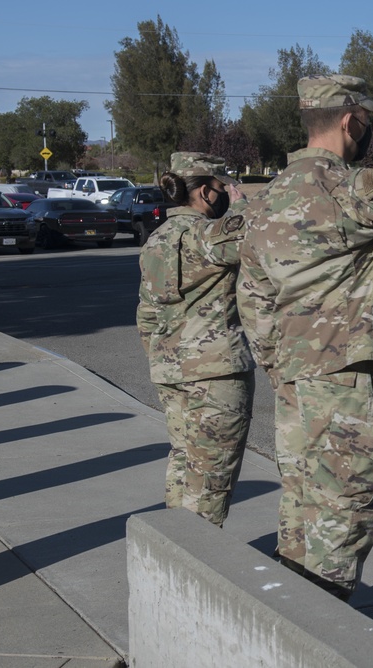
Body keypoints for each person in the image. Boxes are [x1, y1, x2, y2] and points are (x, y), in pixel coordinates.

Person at [236, 74, 373, 600]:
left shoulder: (266, 199)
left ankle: (284, 626)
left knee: (302, 509)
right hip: (347, 382)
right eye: (367, 123)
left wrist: (280, 366)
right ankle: (322, 633)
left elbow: (253, 298)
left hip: (294, 382)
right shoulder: (345, 187)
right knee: (346, 512)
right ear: (354, 121)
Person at [136, 152, 255, 527]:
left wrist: (163, 357)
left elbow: (146, 313)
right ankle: (199, 559)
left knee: (184, 460)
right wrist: (245, 205)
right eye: (221, 188)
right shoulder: (207, 236)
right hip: (215, 374)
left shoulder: (156, 240)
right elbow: (262, 232)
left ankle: (175, 548)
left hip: (170, 370)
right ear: (205, 193)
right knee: (211, 478)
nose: (224, 195)